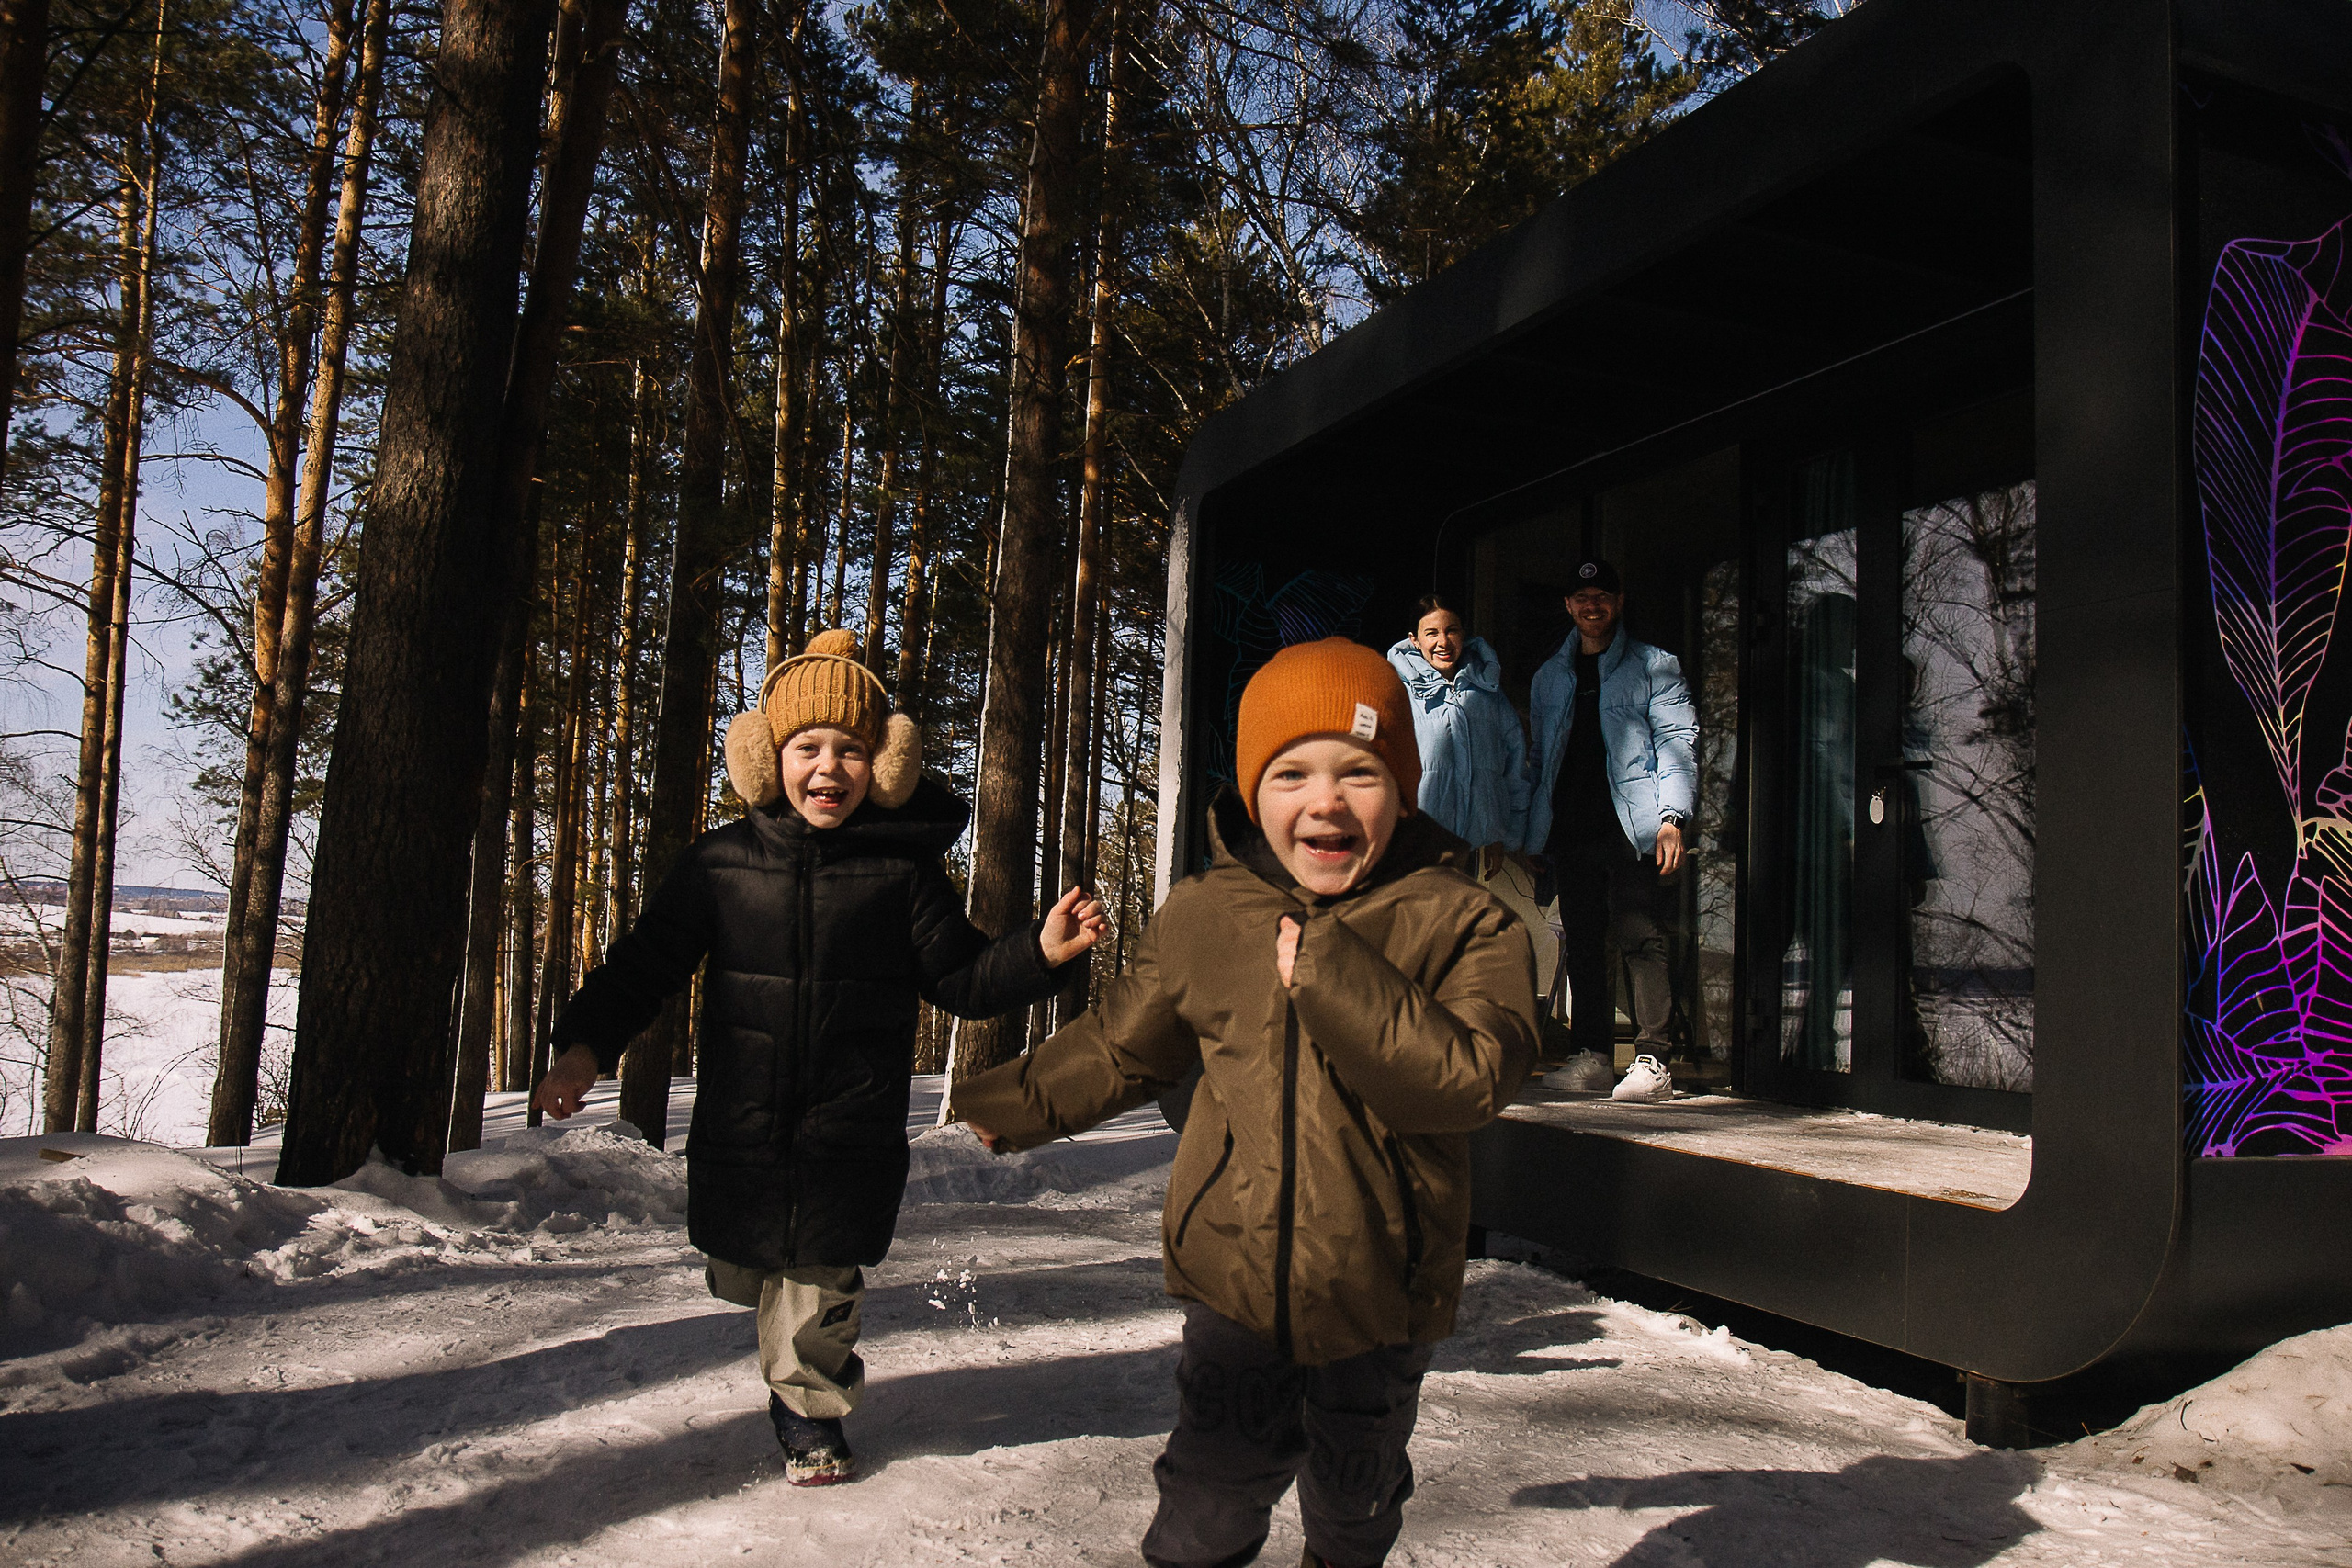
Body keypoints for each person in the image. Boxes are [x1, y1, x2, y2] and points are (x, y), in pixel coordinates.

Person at [961, 637, 1538, 1568]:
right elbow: (1122, 1045)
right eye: (1292, 773)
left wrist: (1334, 972)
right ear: (1251, 792)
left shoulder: (1464, 920)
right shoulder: (1204, 914)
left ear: (1403, 788)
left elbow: (1472, 1076)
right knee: (1209, 1497)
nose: (1325, 800)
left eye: (1359, 772)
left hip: (1382, 1281)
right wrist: (1009, 1102)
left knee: (1353, 1498)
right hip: (1235, 1270)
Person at [532, 628, 1107, 1486]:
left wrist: (1040, 951)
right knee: (746, 1269)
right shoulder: (720, 864)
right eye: (808, 747)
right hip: (744, 1125)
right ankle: (785, 1352)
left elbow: (961, 977)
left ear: (885, 764)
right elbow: (643, 965)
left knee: (817, 1282)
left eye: (851, 749)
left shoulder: (901, 874)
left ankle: (807, 1410)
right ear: (768, 757)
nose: (828, 766)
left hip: (849, 1128)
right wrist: (582, 1048)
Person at [1519, 558, 1697, 1103]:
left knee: (1641, 935)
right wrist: (1531, 833)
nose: (1591, 605)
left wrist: (1672, 819)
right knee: (1584, 940)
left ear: (1618, 602)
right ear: (1568, 606)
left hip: (1633, 826)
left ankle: (1654, 1059)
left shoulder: (1654, 666)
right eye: (1582, 597)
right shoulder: (1550, 676)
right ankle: (1592, 1056)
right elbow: (1538, 758)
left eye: (1602, 595)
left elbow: (1678, 744)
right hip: (1571, 826)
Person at [1386, 595, 1528, 873]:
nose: (1443, 642)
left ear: (1463, 634)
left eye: (1451, 630)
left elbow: (1514, 768)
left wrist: (1500, 835)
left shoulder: (1488, 692)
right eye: (1431, 633)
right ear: (1414, 640)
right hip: (1414, 846)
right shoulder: (1397, 692)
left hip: (1469, 847)